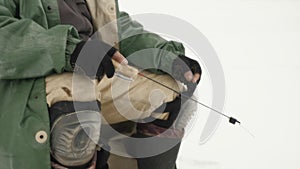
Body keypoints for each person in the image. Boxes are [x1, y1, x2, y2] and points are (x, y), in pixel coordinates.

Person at [0, 0, 201, 169]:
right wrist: (69, 48)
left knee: (172, 91)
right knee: (77, 101)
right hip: (26, 83)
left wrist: (167, 57)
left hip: (96, 73)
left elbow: (116, 28)